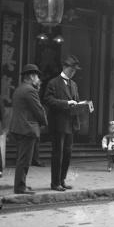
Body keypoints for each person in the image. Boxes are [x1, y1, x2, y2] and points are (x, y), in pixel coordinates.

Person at [44, 55, 83, 191]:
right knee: (57, 154)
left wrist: (81, 105)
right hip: (58, 124)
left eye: (75, 70)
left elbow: (76, 101)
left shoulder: (74, 84)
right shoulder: (53, 83)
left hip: (70, 124)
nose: (73, 72)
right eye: (72, 69)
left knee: (67, 153)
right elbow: (48, 100)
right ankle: (55, 183)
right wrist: (67, 103)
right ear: (64, 67)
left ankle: (62, 180)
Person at [9, 64, 48, 194]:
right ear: (31, 76)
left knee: (22, 159)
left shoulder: (20, 89)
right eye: (37, 76)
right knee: (24, 160)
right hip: (27, 129)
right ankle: (20, 187)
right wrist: (45, 123)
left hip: (19, 128)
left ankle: (21, 184)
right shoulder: (30, 90)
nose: (38, 79)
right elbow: (38, 110)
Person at [31, 80, 46, 167]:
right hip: (33, 123)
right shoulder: (33, 94)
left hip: (33, 122)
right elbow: (38, 109)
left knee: (35, 142)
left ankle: (34, 159)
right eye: (39, 86)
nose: (40, 88)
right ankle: (35, 160)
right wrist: (43, 122)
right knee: (35, 142)